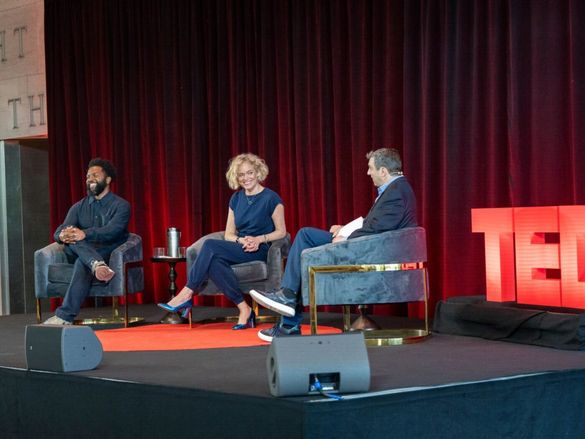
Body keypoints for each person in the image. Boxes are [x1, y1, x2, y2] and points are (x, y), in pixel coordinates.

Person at [250, 147, 418, 342]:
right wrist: (345, 229)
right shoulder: (395, 189)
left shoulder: (396, 193)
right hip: (367, 246)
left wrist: (346, 238)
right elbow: (377, 225)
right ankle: (287, 304)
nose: (368, 172)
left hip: (370, 256)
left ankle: (288, 316)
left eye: (371, 168)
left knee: (307, 251)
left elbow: (377, 231)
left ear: (383, 171)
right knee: (306, 236)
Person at [158, 153, 286, 329]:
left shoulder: (271, 198)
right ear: (236, 177)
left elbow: (282, 232)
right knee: (214, 261)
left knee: (210, 246)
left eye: (250, 173)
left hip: (261, 249)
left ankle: (186, 294)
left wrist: (258, 239)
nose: (246, 178)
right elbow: (229, 234)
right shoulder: (236, 199)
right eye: (241, 175)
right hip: (241, 247)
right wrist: (241, 241)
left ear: (258, 172)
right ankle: (244, 309)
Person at [43, 158, 130, 325]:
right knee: (74, 240)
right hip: (80, 249)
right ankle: (97, 265)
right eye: (88, 176)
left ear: (108, 179)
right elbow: (59, 231)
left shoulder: (121, 205)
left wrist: (85, 233)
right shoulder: (78, 207)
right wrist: (64, 235)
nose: (90, 178)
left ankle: (64, 317)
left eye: (95, 175)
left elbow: (113, 231)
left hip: (106, 250)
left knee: (83, 262)